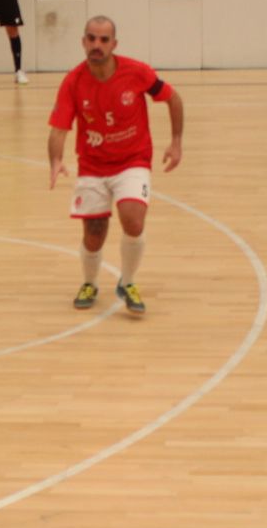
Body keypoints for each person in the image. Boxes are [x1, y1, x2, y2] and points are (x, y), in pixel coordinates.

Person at [48, 16, 183, 317]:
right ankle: (89, 283)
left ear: (114, 44)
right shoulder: (73, 81)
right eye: (92, 39)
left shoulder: (136, 72)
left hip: (132, 160)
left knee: (133, 220)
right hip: (93, 165)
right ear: (83, 42)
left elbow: (173, 99)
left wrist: (176, 142)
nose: (97, 45)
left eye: (104, 40)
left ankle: (128, 282)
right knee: (94, 232)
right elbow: (58, 128)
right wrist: (56, 160)